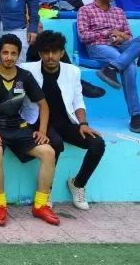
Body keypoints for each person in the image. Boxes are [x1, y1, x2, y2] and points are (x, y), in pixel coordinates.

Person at [20, 31, 106, 210]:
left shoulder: (72, 71)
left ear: (61, 52)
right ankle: (46, 189)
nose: (50, 57)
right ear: (40, 53)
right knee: (55, 143)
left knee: (98, 144)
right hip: (37, 121)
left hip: (65, 122)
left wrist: (83, 124)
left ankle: (78, 184)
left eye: (55, 52)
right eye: (46, 52)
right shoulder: (27, 69)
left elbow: (78, 100)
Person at [0, 34, 59, 225]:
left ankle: (40, 205)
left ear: (19, 55)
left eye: (13, 53)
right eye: (5, 53)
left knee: (49, 152)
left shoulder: (24, 76)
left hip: (18, 127)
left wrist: (42, 131)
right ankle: (0, 206)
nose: (9, 57)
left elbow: (44, 105)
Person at [25, 0, 105, 99]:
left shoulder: (32, 3)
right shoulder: (20, 1)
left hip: (32, 44)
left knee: (55, 43)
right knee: (49, 43)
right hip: (20, 45)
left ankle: (76, 82)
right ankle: (78, 83)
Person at [78, 0, 140, 132]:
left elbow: (129, 36)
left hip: (121, 46)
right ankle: (136, 115)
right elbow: (83, 36)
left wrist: (121, 36)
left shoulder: (119, 11)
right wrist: (108, 33)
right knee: (130, 66)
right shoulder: (85, 10)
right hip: (98, 46)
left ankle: (111, 68)